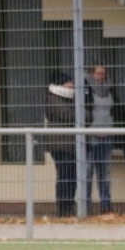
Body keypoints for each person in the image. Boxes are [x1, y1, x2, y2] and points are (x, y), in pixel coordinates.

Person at [45, 72, 79, 217]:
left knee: (73, 177)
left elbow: (85, 114)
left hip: (71, 145)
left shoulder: (71, 99)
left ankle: (69, 205)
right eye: (68, 82)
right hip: (60, 145)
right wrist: (80, 114)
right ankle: (63, 208)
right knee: (64, 176)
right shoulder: (53, 99)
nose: (71, 85)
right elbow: (68, 115)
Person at [86, 65, 118, 214]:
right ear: (92, 74)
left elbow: (116, 109)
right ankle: (86, 206)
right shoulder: (86, 89)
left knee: (104, 174)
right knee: (87, 173)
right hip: (91, 136)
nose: (101, 76)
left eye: (103, 74)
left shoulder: (110, 89)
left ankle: (106, 205)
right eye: (98, 73)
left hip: (107, 135)